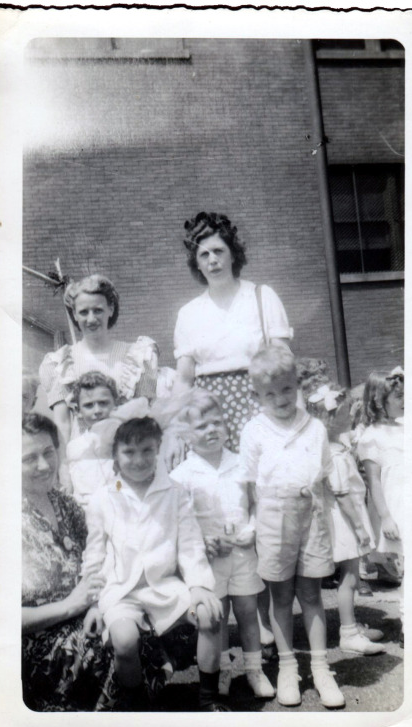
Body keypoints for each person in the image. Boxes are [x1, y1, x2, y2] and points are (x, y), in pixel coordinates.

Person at [172, 211, 293, 646]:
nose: (212, 260)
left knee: (263, 499)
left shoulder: (261, 296)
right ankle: (243, 610)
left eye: (219, 250)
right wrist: (173, 429)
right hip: (210, 408)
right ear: (196, 262)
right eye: (203, 254)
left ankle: (265, 609)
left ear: (232, 253)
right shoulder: (189, 312)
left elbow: (281, 363)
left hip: (257, 400)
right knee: (226, 504)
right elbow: (185, 377)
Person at [81, 417, 230, 711]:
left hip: (165, 587)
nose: (139, 460)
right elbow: (94, 554)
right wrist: (94, 603)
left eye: (147, 451)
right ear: (115, 455)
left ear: (158, 449)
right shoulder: (102, 499)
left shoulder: (174, 492)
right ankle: (136, 705)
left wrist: (199, 586)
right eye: (129, 452)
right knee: (124, 641)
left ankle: (209, 698)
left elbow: (189, 544)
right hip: (122, 591)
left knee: (210, 613)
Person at [240, 344, 345, 709]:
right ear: (257, 395)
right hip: (271, 516)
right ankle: (288, 667)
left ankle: (320, 667)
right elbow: (248, 485)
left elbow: (325, 475)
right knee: (281, 597)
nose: (280, 398)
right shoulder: (254, 430)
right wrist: (246, 525)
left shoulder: (314, 427)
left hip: (310, 513)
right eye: (269, 393)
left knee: (313, 595)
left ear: (296, 386)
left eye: (286, 389)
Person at [170, 390, 275, 699]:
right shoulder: (182, 475)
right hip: (210, 559)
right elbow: (181, 522)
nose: (211, 430)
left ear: (227, 427)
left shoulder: (242, 464)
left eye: (217, 423)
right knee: (217, 617)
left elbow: (257, 503)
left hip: (243, 553)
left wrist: (253, 529)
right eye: (202, 426)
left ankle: (254, 670)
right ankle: (224, 670)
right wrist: (203, 542)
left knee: (247, 611)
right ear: (187, 435)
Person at [21, 413, 110, 711]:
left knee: (137, 621)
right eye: (29, 458)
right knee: (100, 648)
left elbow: (98, 559)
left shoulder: (66, 505)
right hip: (36, 638)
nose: (44, 465)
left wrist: (95, 604)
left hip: (86, 613)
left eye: (48, 452)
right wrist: (70, 606)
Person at [305, 383, 385, 655]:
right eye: (343, 412)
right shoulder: (333, 454)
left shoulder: (336, 446)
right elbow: (342, 497)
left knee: (349, 576)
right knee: (350, 576)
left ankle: (351, 626)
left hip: (346, 516)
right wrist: (361, 529)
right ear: (327, 419)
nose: (351, 415)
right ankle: (348, 632)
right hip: (345, 520)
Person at [39, 274, 158, 446]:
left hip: (128, 452)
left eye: (98, 310)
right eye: (84, 312)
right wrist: (63, 467)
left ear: (110, 309)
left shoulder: (137, 356)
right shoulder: (60, 363)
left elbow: (145, 414)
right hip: (82, 457)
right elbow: (62, 424)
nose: (91, 319)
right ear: (74, 314)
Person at [358, 368, 404, 644]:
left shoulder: (411, 425)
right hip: (398, 508)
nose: (405, 401)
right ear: (379, 401)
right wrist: (385, 517)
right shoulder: (372, 436)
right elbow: (374, 482)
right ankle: (410, 625)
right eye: (399, 397)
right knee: (409, 570)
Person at [66, 371, 149, 507]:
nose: (97, 410)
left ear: (116, 403)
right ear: (78, 411)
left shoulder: (126, 438)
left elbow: (142, 405)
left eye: (103, 403)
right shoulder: (74, 447)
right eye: (88, 405)